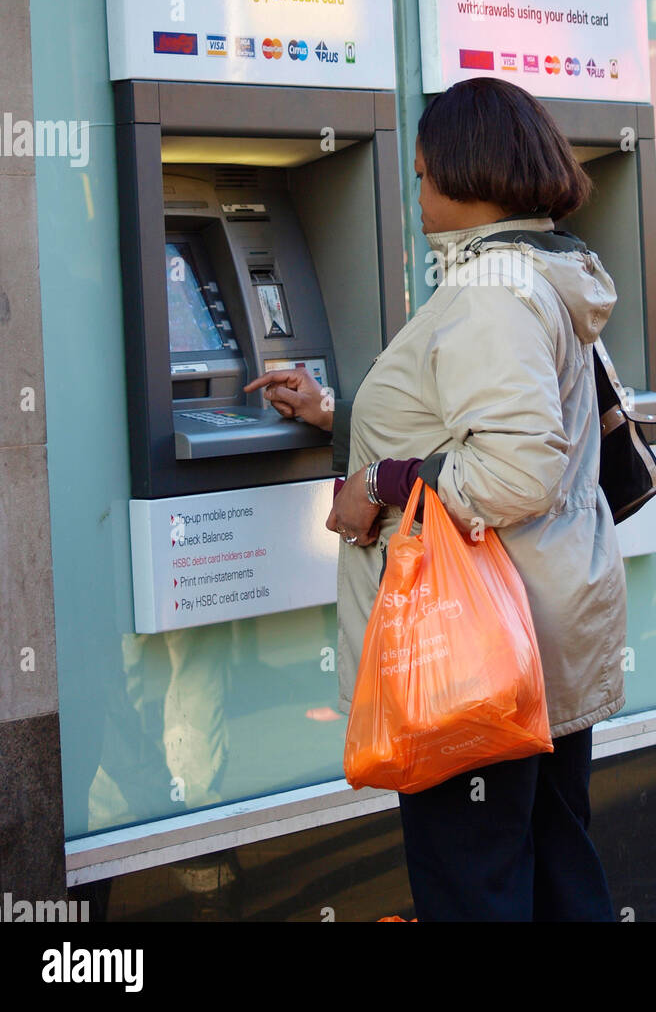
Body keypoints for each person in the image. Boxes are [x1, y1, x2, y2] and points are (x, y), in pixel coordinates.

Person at [246, 76, 627, 922]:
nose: (415, 192)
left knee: (473, 886)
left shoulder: (491, 291)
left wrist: (376, 485)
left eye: (421, 175)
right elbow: (482, 429)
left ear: (469, 175)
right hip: (539, 634)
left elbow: (514, 474)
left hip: (475, 657)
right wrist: (334, 416)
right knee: (558, 872)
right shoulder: (541, 271)